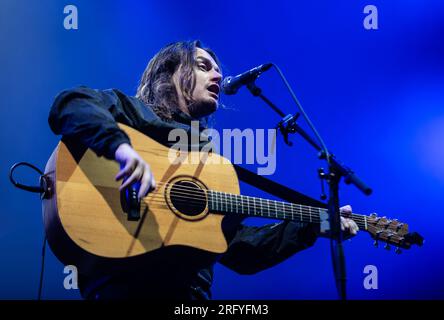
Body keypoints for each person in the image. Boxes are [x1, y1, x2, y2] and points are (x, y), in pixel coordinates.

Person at [48, 40, 359, 300]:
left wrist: (310, 227)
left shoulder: (208, 163)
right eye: (203, 65)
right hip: (122, 287)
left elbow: (241, 252)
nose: (218, 75)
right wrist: (121, 148)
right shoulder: (135, 113)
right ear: (169, 72)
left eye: (218, 68)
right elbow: (71, 103)